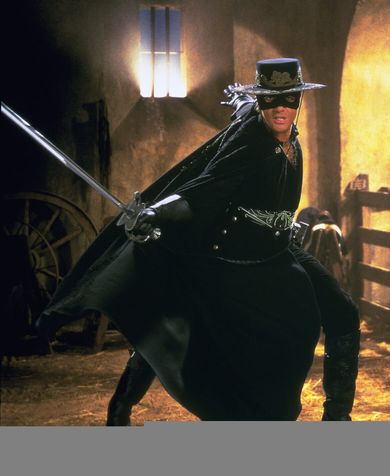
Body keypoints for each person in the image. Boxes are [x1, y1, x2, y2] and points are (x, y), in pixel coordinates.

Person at [37, 58, 360, 422]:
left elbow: (244, 113)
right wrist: (155, 213)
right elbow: (200, 192)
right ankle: (122, 405)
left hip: (278, 249)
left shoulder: (280, 131)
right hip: (233, 256)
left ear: (299, 99)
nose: (280, 107)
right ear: (261, 101)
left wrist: (239, 97)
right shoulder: (249, 143)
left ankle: (337, 418)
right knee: (175, 322)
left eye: (288, 98)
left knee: (343, 312)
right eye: (269, 99)